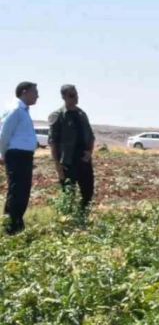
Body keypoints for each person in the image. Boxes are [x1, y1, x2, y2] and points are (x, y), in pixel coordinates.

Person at [47, 84, 96, 212]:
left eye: (76, 94)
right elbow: (52, 141)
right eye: (72, 95)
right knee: (68, 195)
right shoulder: (57, 115)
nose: (75, 98)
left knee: (88, 193)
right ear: (63, 97)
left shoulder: (81, 114)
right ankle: (67, 221)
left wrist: (89, 152)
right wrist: (57, 164)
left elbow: (91, 136)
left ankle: (82, 218)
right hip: (67, 162)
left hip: (84, 160)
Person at [0, 81, 40, 235]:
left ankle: (17, 223)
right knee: (17, 191)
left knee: (22, 191)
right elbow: (3, 136)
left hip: (23, 157)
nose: (37, 96)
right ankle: (10, 228)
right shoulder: (15, 110)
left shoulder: (23, 111)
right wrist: (3, 156)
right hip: (16, 156)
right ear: (24, 92)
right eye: (34, 92)